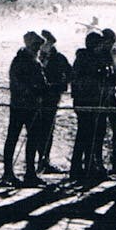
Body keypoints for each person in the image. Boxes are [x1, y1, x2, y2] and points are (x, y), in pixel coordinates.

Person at [2, 31, 47, 186]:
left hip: (32, 105)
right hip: (20, 105)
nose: (38, 48)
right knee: (13, 138)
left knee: (33, 139)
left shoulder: (35, 61)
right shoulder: (20, 61)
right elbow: (16, 83)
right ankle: (8, 172)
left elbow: (41, 81)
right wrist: (31, 90)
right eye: (36, 45)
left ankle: (30, 172)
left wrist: (43, 89)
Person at [70, 32, 109, 182]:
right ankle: (83, 168)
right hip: (86, 101)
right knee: (86, 135)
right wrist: (99, 77)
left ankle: (86, 166)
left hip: (91, 101)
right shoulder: (85, 59)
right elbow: (82, 80)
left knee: (89, 135)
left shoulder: (92, 59)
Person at [36, 30, 71, 174]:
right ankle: (41, 161)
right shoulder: (38, 58)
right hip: (38, 99)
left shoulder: (58, 58)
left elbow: (70, 74)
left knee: (47, 129)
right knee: (39, 130)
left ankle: (45, 160)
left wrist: (60, 86)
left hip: (51, 98)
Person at [98, 28, 116, 172]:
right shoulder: (99, 54)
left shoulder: (112, 53)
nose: (110, 45)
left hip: (110, 95)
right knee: (100, 129)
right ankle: (99, 163)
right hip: (101, 96)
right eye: (109, 42)